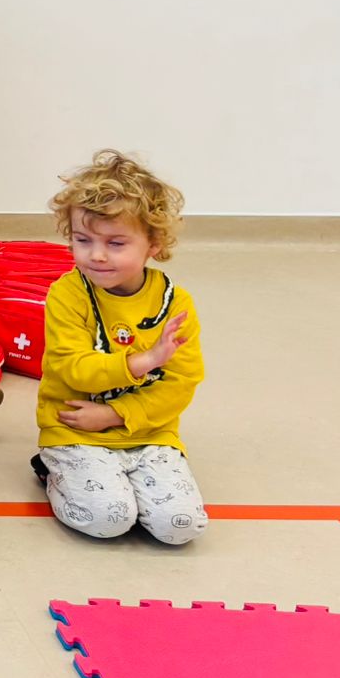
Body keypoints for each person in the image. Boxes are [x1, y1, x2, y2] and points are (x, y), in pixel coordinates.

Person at [33, 151, 207, 546]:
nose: (96, 255)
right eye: (83, 240)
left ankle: (125, 486)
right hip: (75, 430)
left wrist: (115, 414)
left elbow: (181, 383)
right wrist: (144, 361)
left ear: (154, 244)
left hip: (149, 434)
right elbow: (73, 368)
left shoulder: (176, 303)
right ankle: (51, 470)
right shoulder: (67, 294)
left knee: (180, 527)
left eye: (115, 243)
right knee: (109, 520)